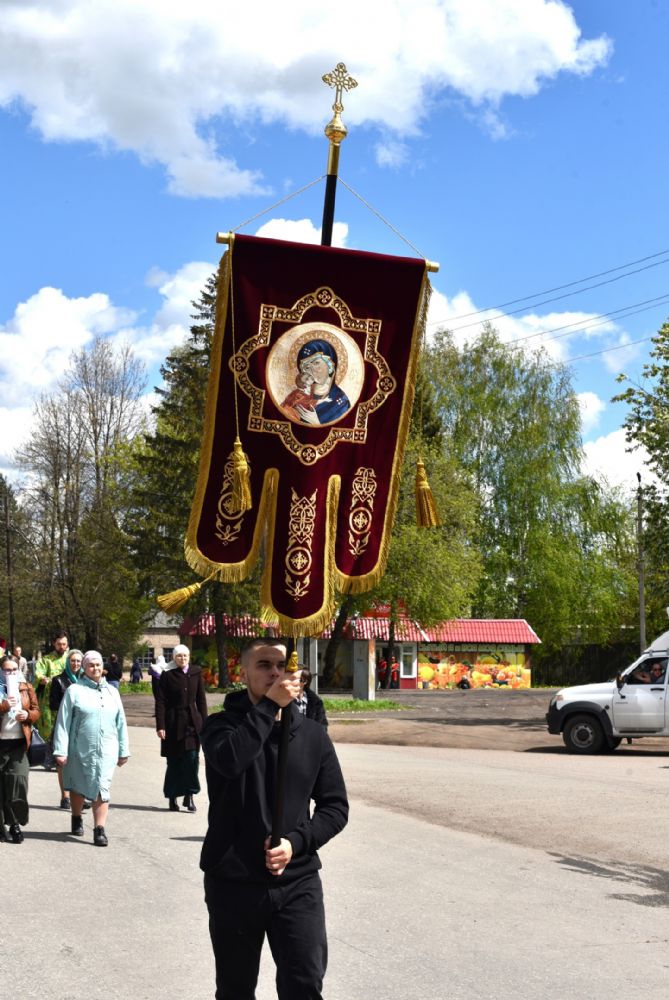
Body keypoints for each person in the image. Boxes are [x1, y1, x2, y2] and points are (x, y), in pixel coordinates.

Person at [201, 637, 349, 999]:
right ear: (244, 673)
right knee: (235, 989)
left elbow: (335, 807)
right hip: (234, 880)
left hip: (296, 880)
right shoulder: (220, 727)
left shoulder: (313, 735)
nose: (275, 673)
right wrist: (269, 706)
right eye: (264, 665)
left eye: (282, 666)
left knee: (304, 983)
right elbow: (231, 760)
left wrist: (296, 843)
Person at [53, 650, 130, 846]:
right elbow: (63, 722)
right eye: (91, 665)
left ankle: (99, 829)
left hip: (107, 750)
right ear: (84, 668)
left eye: (98, 665)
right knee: (78, 786)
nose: (95, 668)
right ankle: (76, 816)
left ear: (102, 667)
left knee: (102, 787)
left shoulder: (112, 692)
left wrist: (123, 750)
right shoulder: (74, 691)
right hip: (79, 748)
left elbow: (121, 722)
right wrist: (60, 750)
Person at [155, 644, 207, 812]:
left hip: (192, 722)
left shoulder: (196, 672)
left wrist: (205, 723)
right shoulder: (167, 674)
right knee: (174, 761)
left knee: (192, 759)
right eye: (179, 656)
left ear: (189, 657)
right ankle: (172, 797)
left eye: (185, 656)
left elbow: (201, 699)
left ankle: (189, 795)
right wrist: (161, 726)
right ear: (174, 657)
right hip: (173, 723)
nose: (182, 659)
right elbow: (160, 702)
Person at [0, 654, 40, 843]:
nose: (10, 673)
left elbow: (36, 710)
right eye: (7, 670)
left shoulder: (26, 687)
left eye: (14, 670)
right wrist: (3, 706)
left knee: (19, 784)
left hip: (18, 745)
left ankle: (15, 824)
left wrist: (28, 715)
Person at [281, 338, 350, 425]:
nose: (311, 369)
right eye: (306, 367)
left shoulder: (341, 402)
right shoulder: (295, 396)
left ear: (330, 365)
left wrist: (315, 423)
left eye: (316, 363)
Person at [49, 648, 84, 810]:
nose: (76, 663)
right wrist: (69, 705)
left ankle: (79, 796)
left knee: (80, 762)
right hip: (64, 724)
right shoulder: (58, 680)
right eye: (73, 661)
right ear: (68, 662)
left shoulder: (86, 680)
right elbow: (53, 704)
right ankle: (65, 797)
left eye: (78, 661)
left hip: (82, 726)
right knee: (63, 762)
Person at [34, 630, 68, 767]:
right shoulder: (46, 660)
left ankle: (65, 758)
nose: (62, 647)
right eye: (59, 644)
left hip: (67, 699)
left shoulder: (71, 659)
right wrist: (42, 679)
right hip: (49, 701)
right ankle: (48, 759)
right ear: (54, 644)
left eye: (64, 644)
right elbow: (39, 674)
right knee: (48, 730)